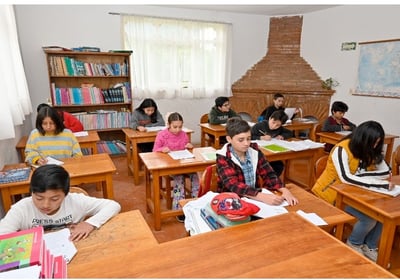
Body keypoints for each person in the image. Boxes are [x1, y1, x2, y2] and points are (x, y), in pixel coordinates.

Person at [312, 120, 393, 263]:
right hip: (332, 194)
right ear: (362, 139)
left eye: (377, 143)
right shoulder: (342, 149)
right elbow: (346, 178)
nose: (374, 146)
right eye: (372, 143)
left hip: (358, 194)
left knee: (382, 216)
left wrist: (363, 177)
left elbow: (386, 171)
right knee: (368, 219)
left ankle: (370, 246)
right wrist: (380, 183)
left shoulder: (370, 149)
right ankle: (354, 243)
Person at [0, 164, 121, 241]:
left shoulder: (76, 201)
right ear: (31, 192)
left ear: (65, 194)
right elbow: (3, 235)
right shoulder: (21, 208)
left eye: (54, 199)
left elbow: (113, 205)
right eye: (39, 198)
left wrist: (90, 223)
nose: (45, 205)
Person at [216, 117, 298, 206]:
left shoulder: (254, 151)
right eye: (241, 140)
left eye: (248, 138)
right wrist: (261, 196)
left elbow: (269, 174)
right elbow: (234, 185)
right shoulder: (223, 157)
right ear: (229, 139)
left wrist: (284, 190)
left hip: (253, 198)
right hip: (231, 201)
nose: (246, 143)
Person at [153, 112, 199, 222]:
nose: (178, 129)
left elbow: (186, 147)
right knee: (179, 181)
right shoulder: (162, 135)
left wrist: (189, 146)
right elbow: (154, 150)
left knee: (196, 177)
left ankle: (195, 203)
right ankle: (179, 208)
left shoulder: (183, 134)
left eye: (180, 126)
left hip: (184, 164)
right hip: (171, 166)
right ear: (168, 124)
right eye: (175, 127)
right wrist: (162, 149)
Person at [250, 110, 293, 176]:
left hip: (271, 151)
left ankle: (273, 181)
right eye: (273, 122)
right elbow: (249, 136)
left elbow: (289, 133)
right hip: (259, 152)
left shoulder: (280, 129)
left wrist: (282, 136)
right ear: (270, 118)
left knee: (279, 165)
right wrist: (260, 138)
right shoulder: (259, 126)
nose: (274, 126)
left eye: (277, 125)